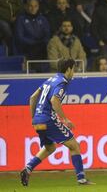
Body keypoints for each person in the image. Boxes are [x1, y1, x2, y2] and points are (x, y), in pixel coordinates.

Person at [20, 58, 94, 186]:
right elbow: (55, 100)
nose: (74, 73)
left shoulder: (50, 80)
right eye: (73, 69)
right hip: (48, 119)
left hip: (38, 120)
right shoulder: (62, 82)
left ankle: (28, 168)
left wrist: (34, 117)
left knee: (50, 147)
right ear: (69, 69)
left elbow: (32, 98)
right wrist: (64, 119)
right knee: (74, 145)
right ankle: (81, 179)